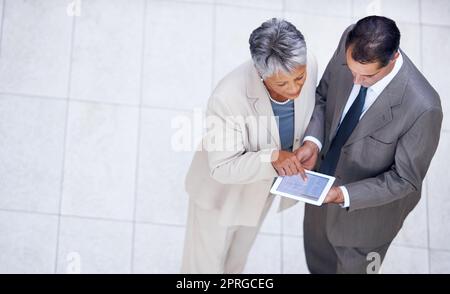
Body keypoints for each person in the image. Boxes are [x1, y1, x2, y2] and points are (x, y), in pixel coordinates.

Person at [296, 16, 443, 274]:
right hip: (319, 200)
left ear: (393, 58)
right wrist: (313, 141)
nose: (355, 81)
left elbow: (405, 180)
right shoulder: (349, 39)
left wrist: (344, 195)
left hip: (365, 226)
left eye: (367, 76)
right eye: (351, 70)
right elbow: (323, 94)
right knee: (317, 263)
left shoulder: (423, 108)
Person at [181, 18, 318, 273]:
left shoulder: (308, 62)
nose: (294, 89)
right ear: (260, 73)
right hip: (220, 195)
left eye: (299, 78)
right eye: (282, 84)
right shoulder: (227, 98)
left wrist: (311, 142)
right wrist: (273, 158)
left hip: (262, 190)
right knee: (203, 267)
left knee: (236, 261)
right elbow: (222, 166)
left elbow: (315, 105)